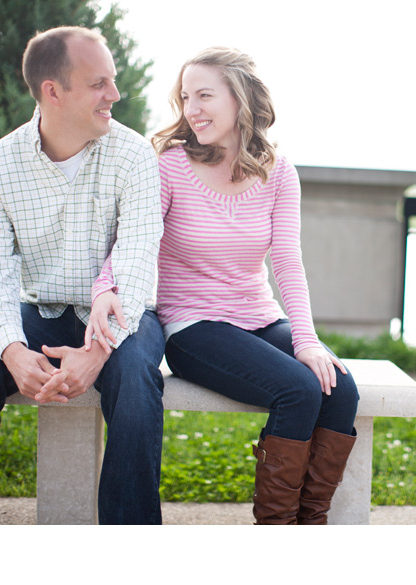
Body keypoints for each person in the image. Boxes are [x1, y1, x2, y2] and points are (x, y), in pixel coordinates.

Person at [87, 47, 359, 525]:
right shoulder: (169, 165)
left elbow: (288, 263)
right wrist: (104, 287)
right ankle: (278, 529)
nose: (191, 109)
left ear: (240, 99)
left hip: (257, 317)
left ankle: (310, 523)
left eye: (204, 95)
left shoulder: (278, 171)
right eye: (186, 97)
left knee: (339, 388)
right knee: (298, 389)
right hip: (194, 328)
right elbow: (135, 238)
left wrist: (307, 340)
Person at [0, 26, 166, 525]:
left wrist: (98, 351)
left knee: (136, 377)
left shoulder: (134, 155)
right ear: (52, 92)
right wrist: (13, 351)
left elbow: (139, 257)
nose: (115, 95)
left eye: (114, 80)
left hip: (121, 314)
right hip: (39, 313)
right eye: (99, 83)